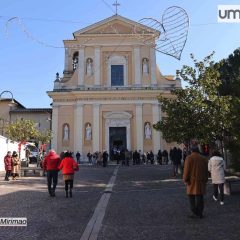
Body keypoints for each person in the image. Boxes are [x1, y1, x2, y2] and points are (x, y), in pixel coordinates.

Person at [183, 145, 208, 219]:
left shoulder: (189, 158)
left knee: (191, 197)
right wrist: (206, 179)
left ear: (191, 151)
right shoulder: (203, 158)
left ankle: (194, 212)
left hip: (191, 181)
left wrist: (185, 179)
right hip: (201, 180)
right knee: (200, 197)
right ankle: (200, 213)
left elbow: (186, 170)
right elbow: (206, 170)